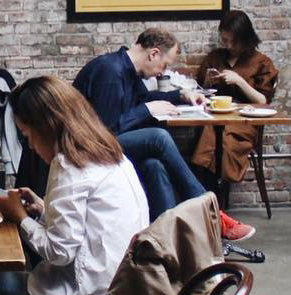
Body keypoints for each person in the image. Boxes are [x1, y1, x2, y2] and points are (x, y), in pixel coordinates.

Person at [0, 77, 149, 295]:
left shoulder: (69, 166)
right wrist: (43, 209)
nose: (30, 146)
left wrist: (20, 217)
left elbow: (60, 252)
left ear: (46, 128)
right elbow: (86, 230)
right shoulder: (111, 155)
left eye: (28, 135)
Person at [73, 29, 255, 242]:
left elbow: (144, 98)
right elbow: (106, 131)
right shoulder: (110, 72)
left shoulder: (127, 70)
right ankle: (211, 213)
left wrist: (181, 95)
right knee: (159, 137)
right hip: (92, 147)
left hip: (109, 143)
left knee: (154, 165)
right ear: (153, 54)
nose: (162, 72)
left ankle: (166, 241)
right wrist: (147, 110)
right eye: (164, 65)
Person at [190, 10, 278, 197]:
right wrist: (208, 82)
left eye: (234, 41)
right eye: (225, 40)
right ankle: (212, 197)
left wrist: (239, 81)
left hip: (244, 121)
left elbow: (263, 101)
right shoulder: (215, 57)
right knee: (211, 130)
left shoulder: (261, 62)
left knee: (219, 139)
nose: (229, 46)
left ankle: (209, 195)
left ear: (246, 38)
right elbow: (199, 90)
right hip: (214, 117)